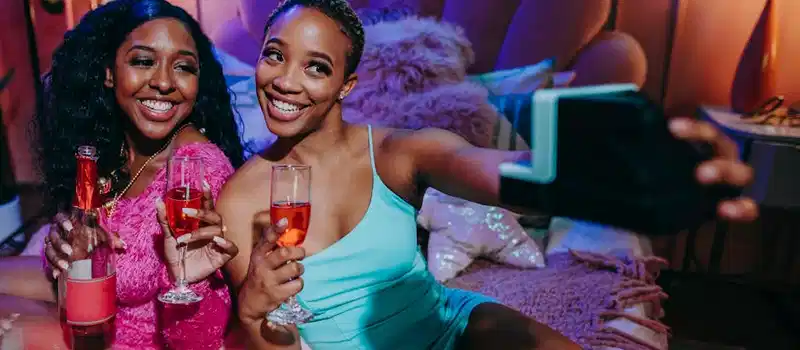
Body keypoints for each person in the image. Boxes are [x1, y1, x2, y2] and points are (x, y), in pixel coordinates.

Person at [213, 0, 757, 349]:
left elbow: (503, 172)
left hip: (449, 325)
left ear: (347, 85)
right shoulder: (238, 200)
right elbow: (266, 341)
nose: (285, 81)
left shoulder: (400, 151)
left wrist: (624, 177)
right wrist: (254, 310)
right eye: (273, 56)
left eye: (315, 66)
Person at [29, 0, 243, 348]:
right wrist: (63, 246)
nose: (163, 82)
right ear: (108, 73)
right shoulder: (110, 149)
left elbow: (200, 339)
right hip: (92, 318)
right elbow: (83, 263)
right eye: (143, 61)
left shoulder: (195, 174)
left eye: (184, 67)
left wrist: (187, 279)